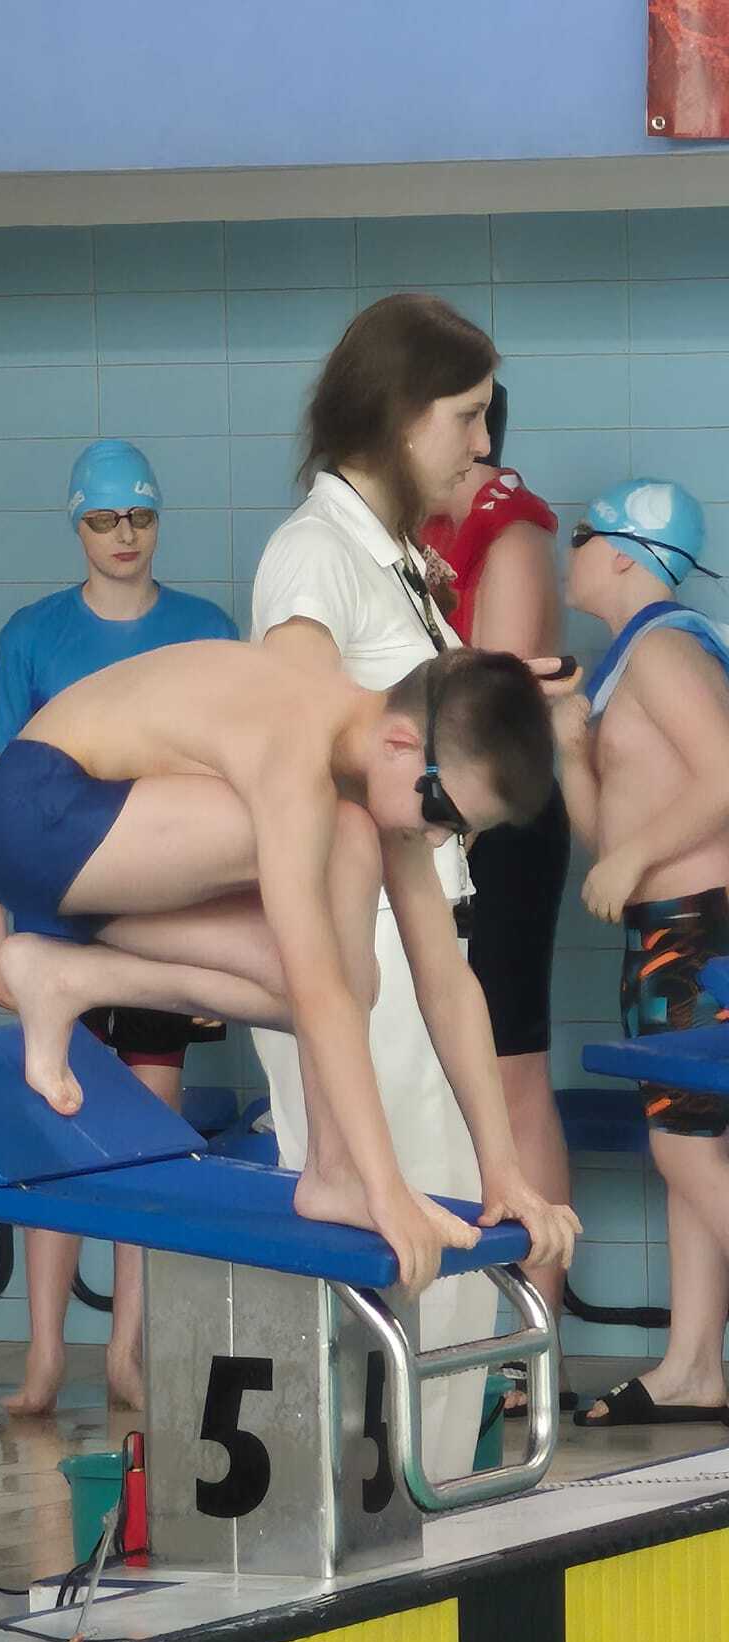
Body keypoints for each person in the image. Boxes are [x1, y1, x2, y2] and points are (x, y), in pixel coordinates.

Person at [0, 637, 579, 1291]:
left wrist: (504, 1173)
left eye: (457, 830)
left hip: (111, 851)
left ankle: (65, 978)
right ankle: (338, 1172)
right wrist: (386, 1187)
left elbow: (448, 981)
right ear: (400, 742)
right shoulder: (297, 752)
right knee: (343, 881)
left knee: (355, 975)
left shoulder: (384, 770)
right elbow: (320, 992)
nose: (436, 837)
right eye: (440, 812)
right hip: (32, 815)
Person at [250, 292, 512, 1475]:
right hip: (354, 942)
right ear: (401, 414)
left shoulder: (392, 554)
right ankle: (384, 1504)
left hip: (412, 930)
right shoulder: (313, 555)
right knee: (397, 1240)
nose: (480, 443)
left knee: (446, 1240)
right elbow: (298, 733)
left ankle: (427, 1499)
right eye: (465, 415)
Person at [0, 438, 236, 1417]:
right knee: (56, 1132)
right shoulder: (32, 635)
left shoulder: (205, 630)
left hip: (167, 909)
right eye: (103, 519)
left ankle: (126, 1351)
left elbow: (231, 786)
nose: (123, 536)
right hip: (53, 908)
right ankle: (45, 1354)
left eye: (140, 517)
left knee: (146, 1137)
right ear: (76, 525)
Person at [553, 478, 729, 1429]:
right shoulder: (631, 659)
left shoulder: (663, 646)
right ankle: (693, 1368)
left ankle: (695, 1365)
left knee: (685, 1149)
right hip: (667, 928)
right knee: (692, 1145)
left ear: (622, 552)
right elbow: (603, 853)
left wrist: (634, 856)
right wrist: (568, 748)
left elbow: (727, 775)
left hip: (699, 931)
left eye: (582, 534)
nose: (569, 548)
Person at [417, 386, 575, 1374]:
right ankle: (465, 1325)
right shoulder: (415, 533)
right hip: (437, 820)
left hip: (499, 822)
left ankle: (530, 1339)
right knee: (449, 1067)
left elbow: (497, 713)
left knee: (509, 1070)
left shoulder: (506, 534)